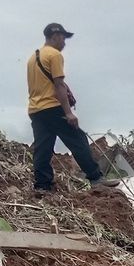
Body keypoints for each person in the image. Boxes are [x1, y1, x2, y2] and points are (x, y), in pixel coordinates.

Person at [26, 23, 109, 192]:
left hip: (36, 110)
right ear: (55, 36)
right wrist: (68, 113)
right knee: (78, 140)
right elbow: (59, 85)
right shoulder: (54, 55)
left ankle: (42, 185)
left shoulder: (32, 58)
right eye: (63, 38)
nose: (64, 43)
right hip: (52, 107)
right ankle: (95, 178)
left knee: (43, 147)